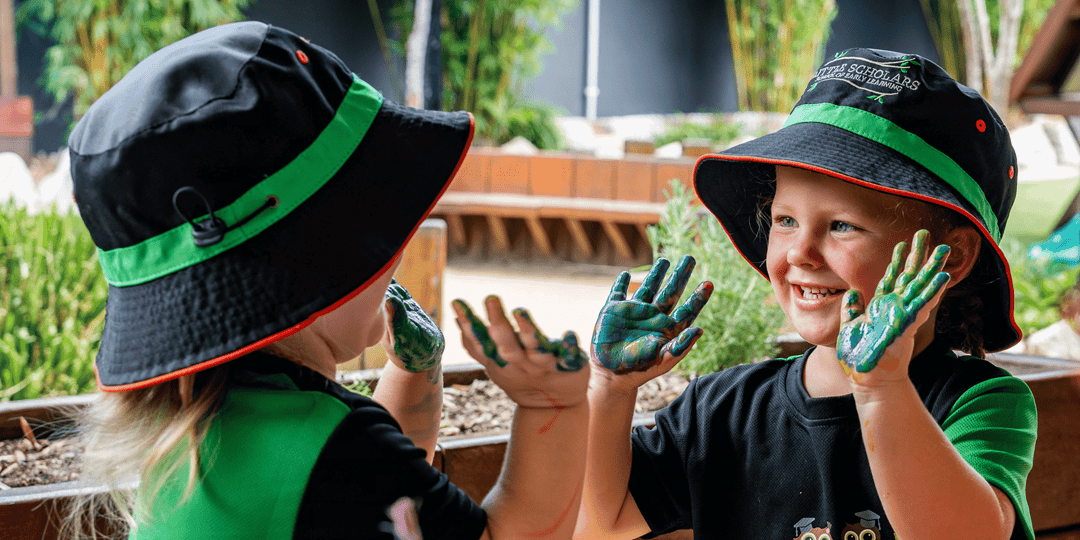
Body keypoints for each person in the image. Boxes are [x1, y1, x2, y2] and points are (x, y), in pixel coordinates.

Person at [62, 21, 589, 540]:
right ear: (324, 259)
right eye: (381, 227)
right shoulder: (339, 450)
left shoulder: (204, 422)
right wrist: (553, 404)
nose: (396, 252)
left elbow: (379, 494)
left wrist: (413, 370)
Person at [573, 48, 1038, 540]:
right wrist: (609, 390)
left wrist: (881, 387)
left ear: (951, 256)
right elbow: (601, 523)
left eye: (842, 226)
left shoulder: (980, 404)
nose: (802, 253)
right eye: (785, 220)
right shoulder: (722, 411)